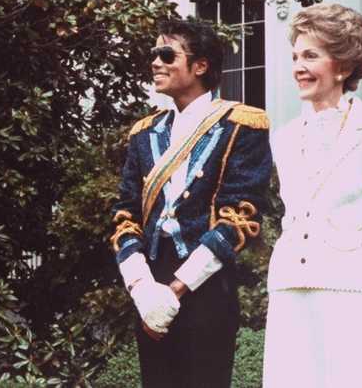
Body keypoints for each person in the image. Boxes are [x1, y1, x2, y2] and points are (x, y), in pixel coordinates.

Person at [110, 19, 273, 388]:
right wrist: (142, 287)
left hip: (206, 282)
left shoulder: (242, 125)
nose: (155, 62)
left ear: (200, 66)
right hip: (151, 277)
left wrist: (177, 289)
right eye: (154, 54)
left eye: (167, 54)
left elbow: (239, 217)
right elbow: (125, 214)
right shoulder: (144, 132)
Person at [263, 3, 362, 387]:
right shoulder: (284, 139)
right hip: (290, 286)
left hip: (350, 289)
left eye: (310, 55)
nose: (298, 67)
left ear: (342, 65)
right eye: (294, 56)